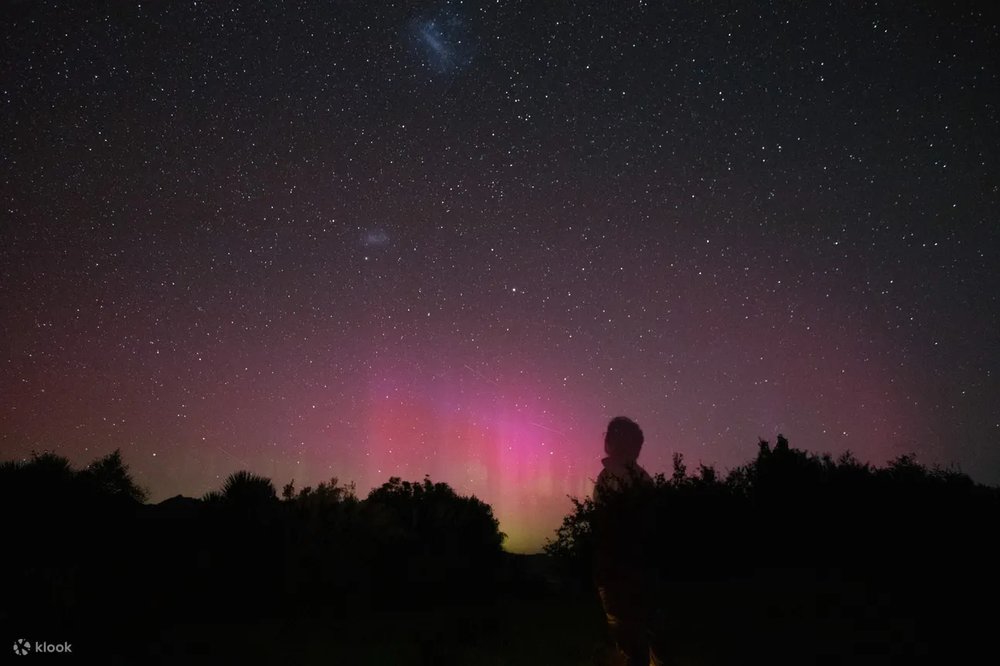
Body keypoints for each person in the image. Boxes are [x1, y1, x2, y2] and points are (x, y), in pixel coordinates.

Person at [593, 416, 663, 666]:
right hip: (640, 566)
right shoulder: (642, 478)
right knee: (643, 630)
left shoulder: (611, 476)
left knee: (627, 633)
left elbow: (606, 523)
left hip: (619, 567)